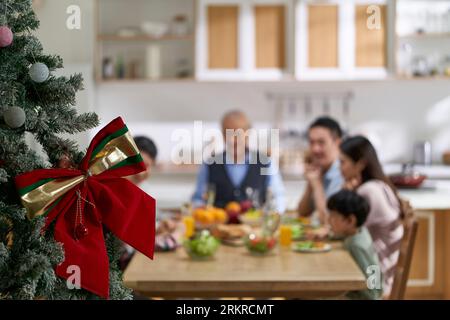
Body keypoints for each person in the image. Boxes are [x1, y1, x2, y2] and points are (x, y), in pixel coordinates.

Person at [339, 135, 404, 297]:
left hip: (374, 282)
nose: (339, 168)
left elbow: (340, 229)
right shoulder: (380, 186)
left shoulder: (368, 192)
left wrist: (346, 194)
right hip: (377, 272)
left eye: (343, 162)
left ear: (360, 164)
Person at [192, 110, 286, 214]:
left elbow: (278, 197)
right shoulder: (209, 164)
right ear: (223, 135)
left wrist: (272, 213)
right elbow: (198, 199)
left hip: (256, 227)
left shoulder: (266, 162)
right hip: (218, 228)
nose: (233, 140)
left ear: (248, 133)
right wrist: (201, 211)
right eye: (228, 133)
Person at [327, 190, 383, 300]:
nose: (329, 220)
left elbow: (373, 291)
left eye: (333, 216)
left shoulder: (356, 246)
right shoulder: (360, 232)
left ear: (350, 220)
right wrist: (329, 236)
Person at [297, 117, 344, 224]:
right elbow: (303, 213)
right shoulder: (321, 170)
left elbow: (331, 223)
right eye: (311, 143)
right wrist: (311, 184)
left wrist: (316, 184)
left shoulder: (343, 173)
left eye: (321, 142)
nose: (315, 149)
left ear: (337, 143)